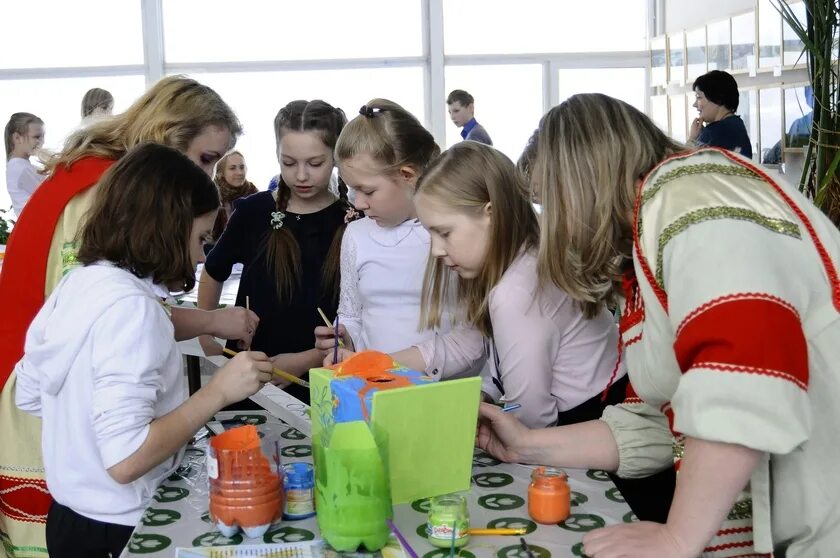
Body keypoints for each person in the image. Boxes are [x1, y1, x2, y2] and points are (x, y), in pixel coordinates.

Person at [477, 93, 840, 556]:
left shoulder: (692, 196)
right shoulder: (666, 218)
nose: (555, 229)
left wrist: (677, 537)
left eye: (552, 205)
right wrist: (526, 445)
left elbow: (741, 377)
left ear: (580, 187)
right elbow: (663, 424)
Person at [0, 75, 256, 558]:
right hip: (121, 524)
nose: (203, 258)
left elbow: (33, 390)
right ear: (165, 224)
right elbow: (123, 458)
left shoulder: (82, 283)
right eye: (201, 240)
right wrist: (219, 393)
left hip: (69, 514)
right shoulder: (132, 311)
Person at [337, 141, 626, 429]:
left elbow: (528, 412)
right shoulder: (516, 263)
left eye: (445, 233)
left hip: (588, 422)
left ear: (490, 214)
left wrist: (486, 408)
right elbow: (466, 343)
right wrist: (375, 364)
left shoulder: (515, 293)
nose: (436, 250)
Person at [198, 100, 355, 404]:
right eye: (289, 162)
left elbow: (358, 318)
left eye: (315, 163)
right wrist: (206, 334)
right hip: (250, 373)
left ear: (335, 157)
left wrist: (304, 359)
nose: (301, 175)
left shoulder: (351, 221)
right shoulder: (253, 211)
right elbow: (214, 270)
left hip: (325, 376)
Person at [313, 99, 452, 357]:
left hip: (445, 390)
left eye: (368, 191)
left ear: (407, 175)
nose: (359, 203)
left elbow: (477, 324)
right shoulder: (356, 235)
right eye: (353, 190)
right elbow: (351, 313)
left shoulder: (450, 234)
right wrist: (343, 337)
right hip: (375, 389)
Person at [688, 70, 752, 158]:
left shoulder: (712, 133)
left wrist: (692, 139)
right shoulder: (737, 124)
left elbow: (683, 167)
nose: (694, 104)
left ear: (718, 99)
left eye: (699, 97)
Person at [4, 112, 46, 217]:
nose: (41, 142)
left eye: (42, 137)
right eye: (37, 137)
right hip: (35, 225)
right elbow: (50, 193)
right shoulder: (20, 168)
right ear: (17, 138)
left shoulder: (19, 165)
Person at [211, 150, 258, 241]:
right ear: (221, 173)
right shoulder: (211, 197)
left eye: (242, 167)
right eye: (232, 168)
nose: (239, 172)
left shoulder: (254, 194)